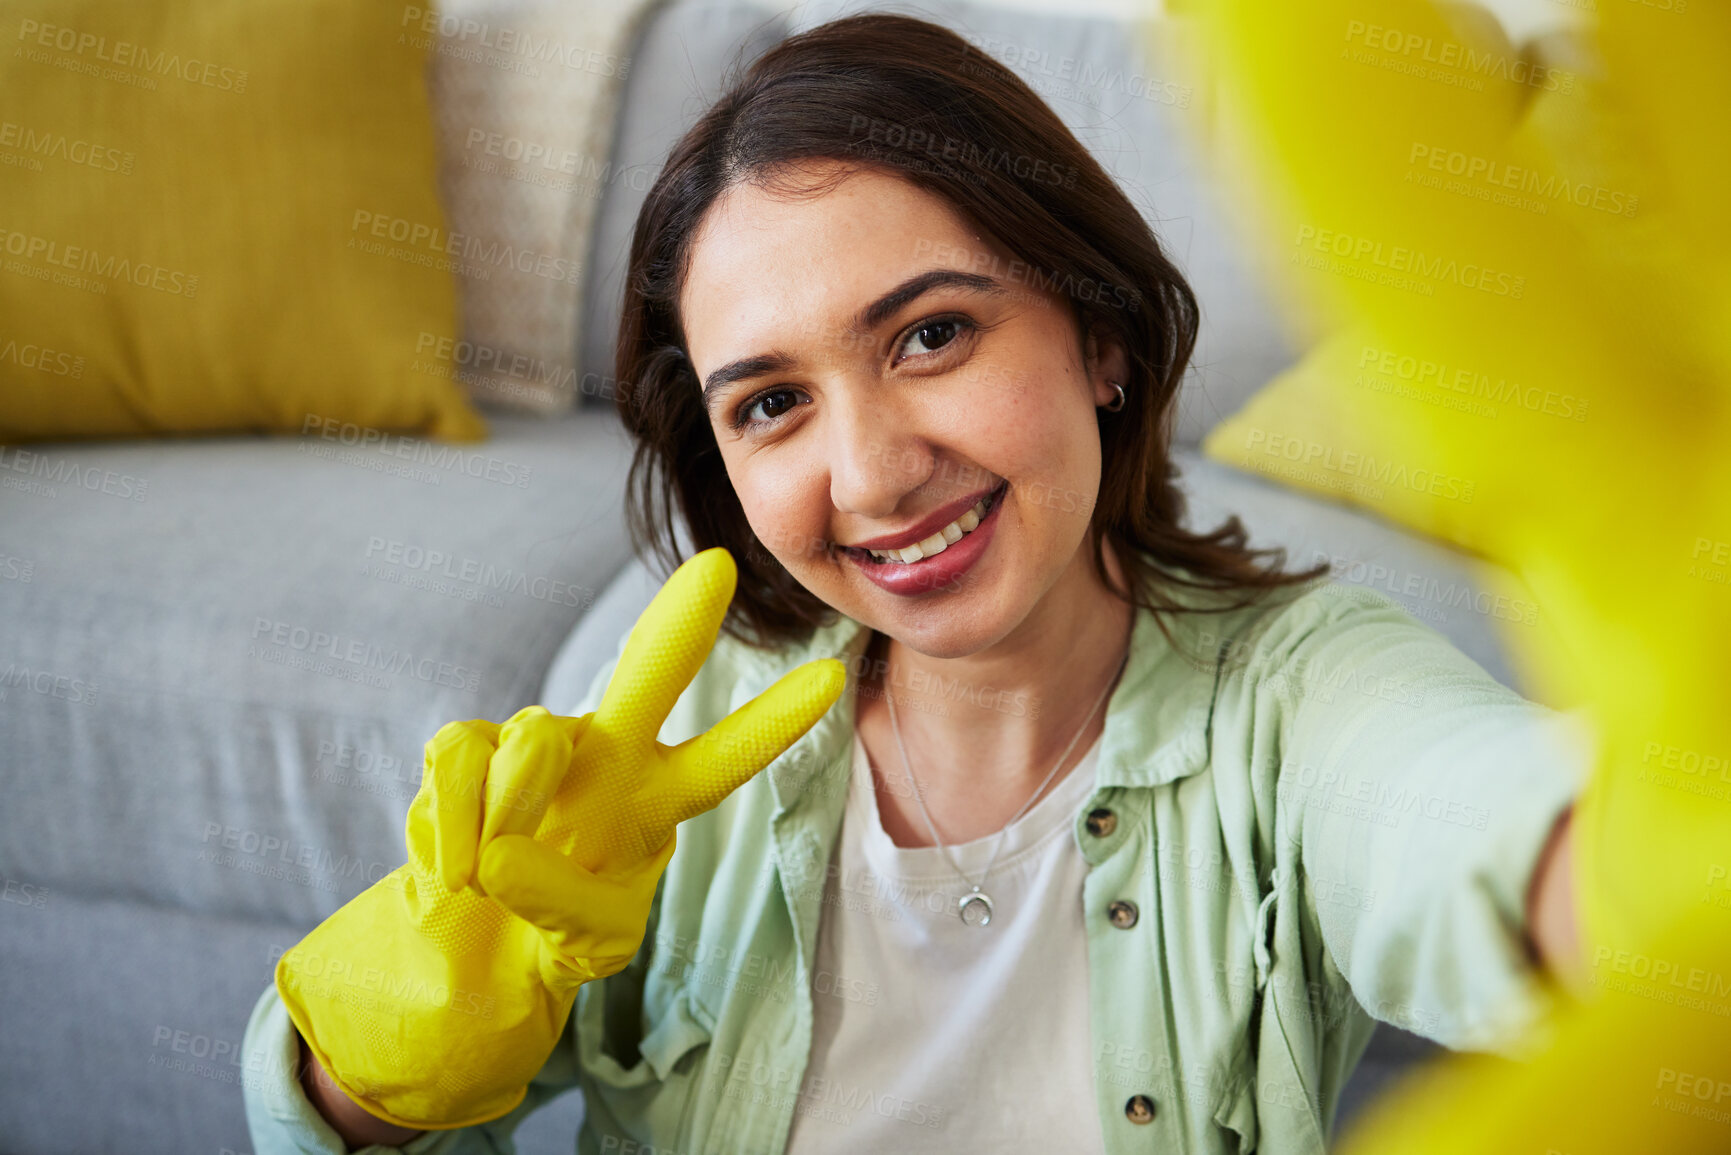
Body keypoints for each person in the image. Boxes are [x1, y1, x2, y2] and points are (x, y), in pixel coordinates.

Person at [242, 13, 1590, 1154]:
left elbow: (1480, 827)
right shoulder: (672, 743)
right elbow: (358, 1110)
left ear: (1100, 335)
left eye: (932, 333)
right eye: (771, 403)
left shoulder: (1304, 699)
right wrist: (367, 1072)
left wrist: (1648, 857)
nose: (875, 475)